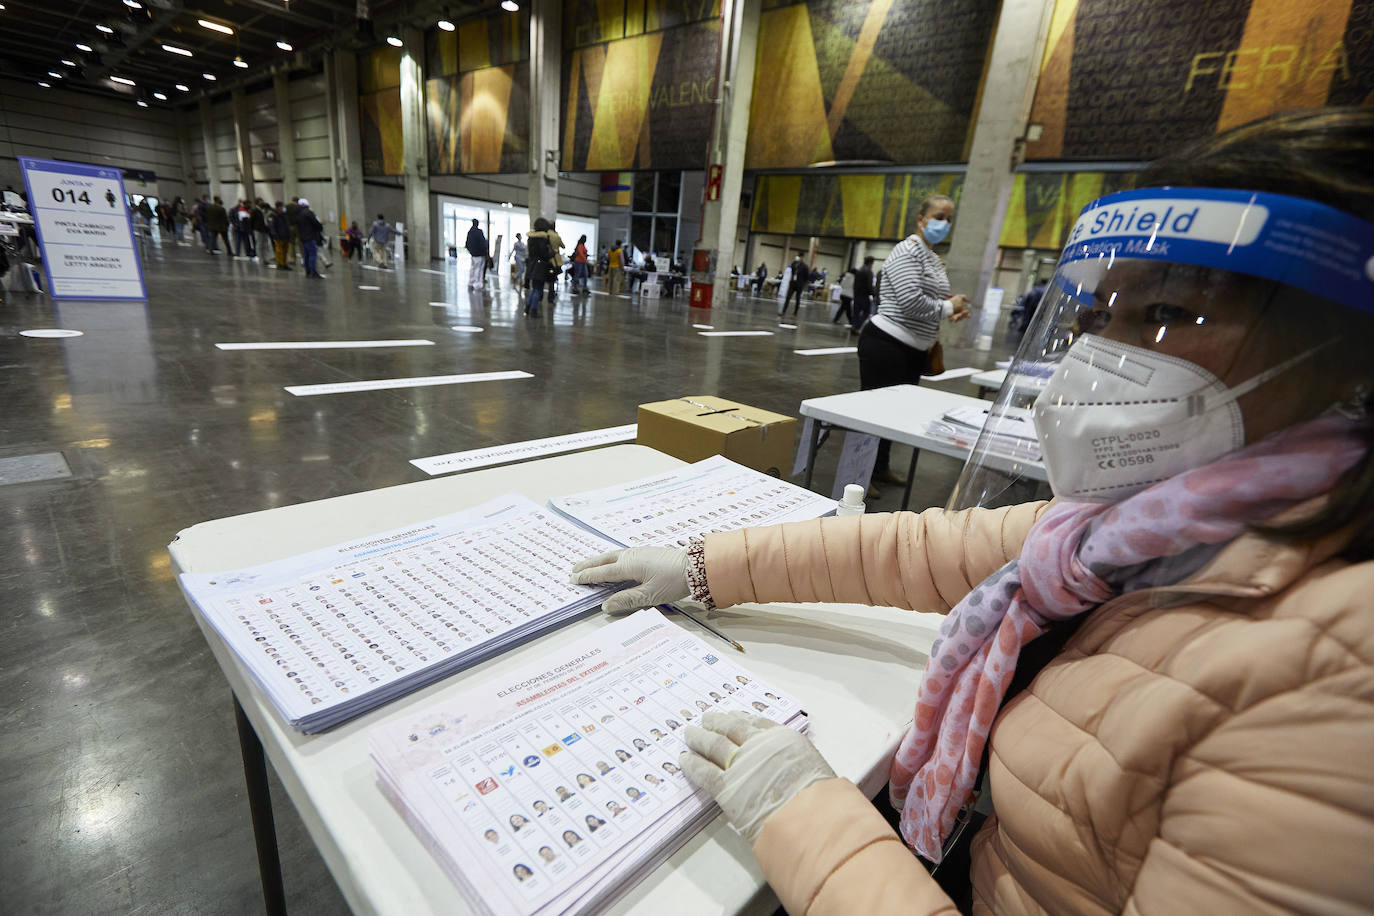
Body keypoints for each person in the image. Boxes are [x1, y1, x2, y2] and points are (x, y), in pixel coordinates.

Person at [569, 108, 1374, 915]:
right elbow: (922, 550)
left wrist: (806, 820)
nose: (1103, 359)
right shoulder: (1149, 528)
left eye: (1170, 314)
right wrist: (706, 566)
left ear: (1346, 350)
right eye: (1099, 317)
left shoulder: (1332, 697)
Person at [858, 194, 971, 489]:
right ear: (921, 220)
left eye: (949, 219)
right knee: (873, 416)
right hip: (887, 345)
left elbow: (930, 297)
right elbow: (909, 301)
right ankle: (859, 476)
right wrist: (947, 307)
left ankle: (879, 468)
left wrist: (950, 309)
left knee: (893, 415)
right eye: (939, 217)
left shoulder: (931, 257)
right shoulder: (907, 251)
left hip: (912, 351)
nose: (944, 223)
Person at [524, 218, 558, 318]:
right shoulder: (542, 239)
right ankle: (533, 310)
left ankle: (528, 308)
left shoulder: (531, 238)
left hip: (532, 265)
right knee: (538, 289)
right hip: (540, 267)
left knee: (534, 288)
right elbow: (544, 255)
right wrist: (553, 253)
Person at [297, 198, 325, 279]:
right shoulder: (308, 213)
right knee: (312, 254)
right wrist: (320, 227)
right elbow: (316, 223)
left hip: (303, 237)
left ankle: (308, 271)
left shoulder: (298, 214)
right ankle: (313, 272)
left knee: (306, 255)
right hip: (310, 236)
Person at [851, 255, 876, 333]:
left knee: (856, 312)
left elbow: (855, 283)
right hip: (864, 295)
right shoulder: (869, 272)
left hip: (857, 294)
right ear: (870, 262)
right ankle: (857, 327)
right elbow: (869, 285)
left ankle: (854, 326)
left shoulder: (859, 270)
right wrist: (873, 294)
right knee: (866, 312)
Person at [780, 252, 809, 317]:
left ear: (802, 258)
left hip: (799, 285)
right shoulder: (794, 263)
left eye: (800, 257)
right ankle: (783, 311)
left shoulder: (805, 266)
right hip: (793, 284)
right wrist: (795, 263)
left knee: (797, 299)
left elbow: (807, 277)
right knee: (788, 297)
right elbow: (792, 270)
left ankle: (795, 313)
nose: (798, 258)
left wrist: (803, 284)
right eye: (798, 256)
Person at [268, 202, 292, 271]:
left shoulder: (284, 214)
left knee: (285, 251)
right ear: (278, 207)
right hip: (278, 236)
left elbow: (287, 224)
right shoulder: (273, 215)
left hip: (286, 236)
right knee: (279, 251)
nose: (283, 208)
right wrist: (275, 235)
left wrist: (289, 233)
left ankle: (284, 264)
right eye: (281, 207)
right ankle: (280, 264)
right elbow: (272, 226)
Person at [465, 218, 488, 288]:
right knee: (479, 269)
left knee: (472, 268)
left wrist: (470, 251)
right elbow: (482, 243)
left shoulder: (470, 232)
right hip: (479, 254)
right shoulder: (479, 232)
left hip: (473, 254)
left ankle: (471, 281)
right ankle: (477, 283)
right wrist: (485, 252)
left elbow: (467, 243)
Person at [284, 197, 301, 265]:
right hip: (298, 227)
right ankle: (303, 258)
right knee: (300, 242)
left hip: (289, 226)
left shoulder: (287, 206)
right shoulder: (299, 207)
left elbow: (284, 215)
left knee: (291, 243)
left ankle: (292, 259)